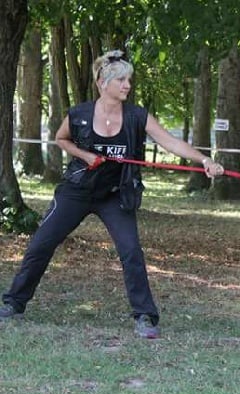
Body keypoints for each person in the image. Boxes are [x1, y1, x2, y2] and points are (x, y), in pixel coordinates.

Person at [0, 50, 225, 338]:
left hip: (114, 194)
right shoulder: (79, 114)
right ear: (102, 83)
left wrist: (204, 160)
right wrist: (85, 155)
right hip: (76, 191)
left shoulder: (136, 116)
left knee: (131, 251)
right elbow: (60, 138)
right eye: (120, 79)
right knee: (41, 244)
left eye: (128, 79)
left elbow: (170, 141)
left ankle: (145, 316)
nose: (127, 85)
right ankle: (14, 303)